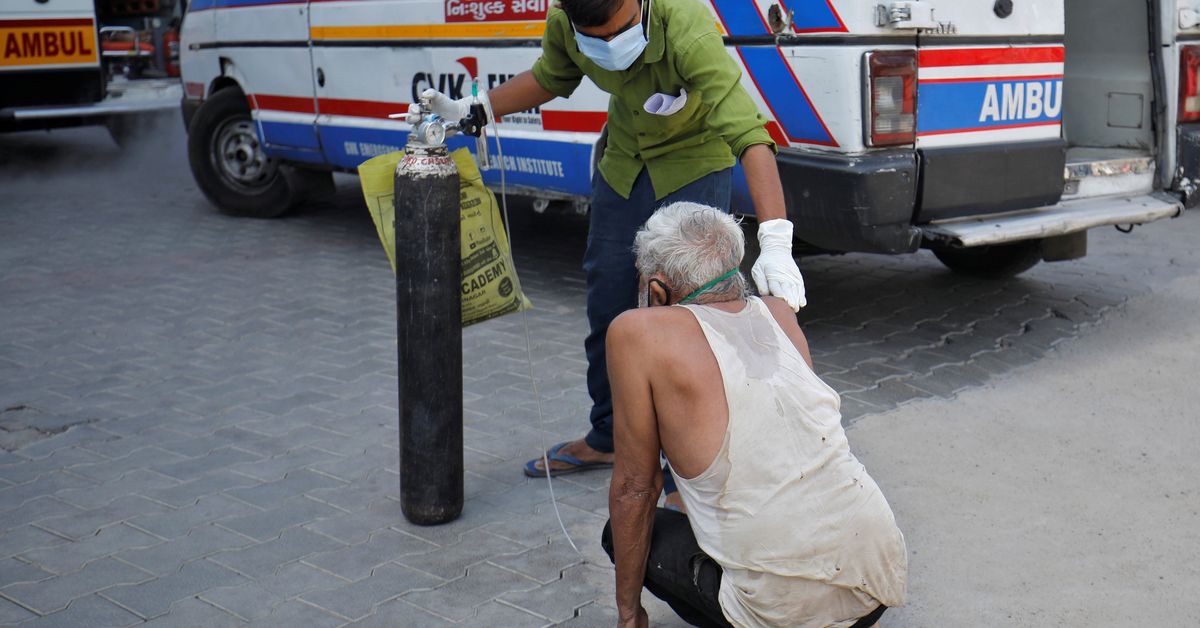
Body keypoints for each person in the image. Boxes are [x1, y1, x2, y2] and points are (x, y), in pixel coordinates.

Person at [408, 0, 807, 484]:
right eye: (594, 39)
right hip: (624, 163)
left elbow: (749, 135)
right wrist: (478, 108)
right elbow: (552, 76)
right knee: (609, 301)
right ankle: (610, 438)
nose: (609, 49)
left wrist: (776, 241)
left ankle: (692, 460)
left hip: (694, 165)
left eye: (617, 34)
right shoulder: (567, 20)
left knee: (693, 314)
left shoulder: (684, 26)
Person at [601, 203, 907, 628]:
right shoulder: (779, 312)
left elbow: (636, 488)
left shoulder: (637, 332)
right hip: (873, 585)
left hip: (784, 615)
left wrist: (628, 614)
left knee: (619, 532)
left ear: (657, 290)